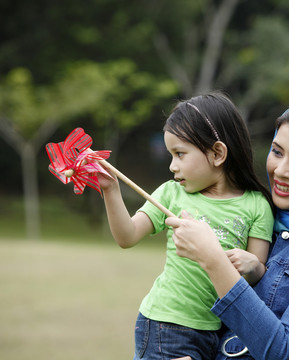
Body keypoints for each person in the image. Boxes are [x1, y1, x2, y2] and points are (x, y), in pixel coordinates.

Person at [166, 97, 289, 359]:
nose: (280, 170)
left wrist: (214, 261)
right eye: (277, 151)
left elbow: (284, 350)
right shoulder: (255, 216)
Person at [98, 92, 274, 360]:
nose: (172, 166)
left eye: (180, 154)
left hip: (217, 331)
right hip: (165, 325)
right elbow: (128, 236)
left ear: (217, 153)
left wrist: (254, 266)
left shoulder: (257, 205)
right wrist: (111, 190)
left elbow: (256, 278)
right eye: (171, 154)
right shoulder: (172, 193)